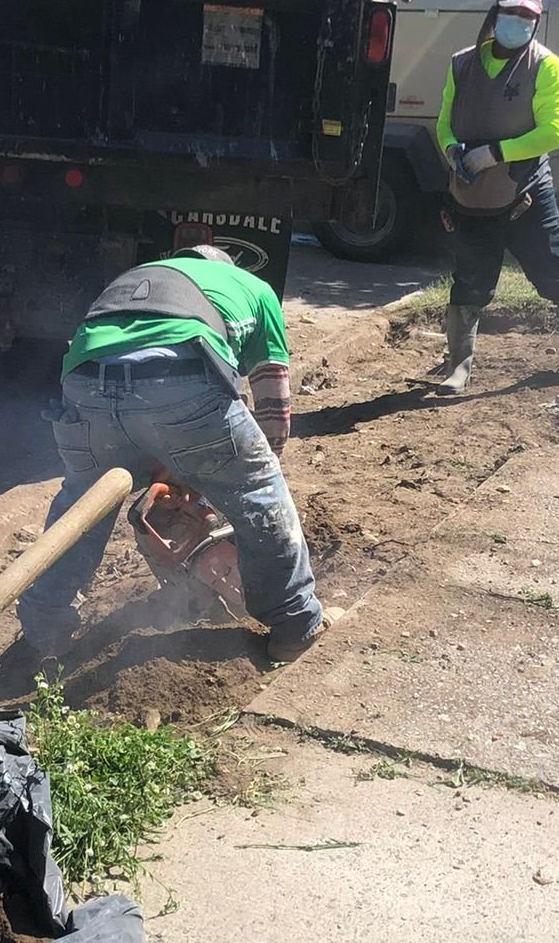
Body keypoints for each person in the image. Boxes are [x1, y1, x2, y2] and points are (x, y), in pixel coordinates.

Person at [16, 247, 327, 660]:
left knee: (83, 506)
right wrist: (244, 470)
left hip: (82, 388)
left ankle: (44, 630)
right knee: (258, 489)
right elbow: (273, 403)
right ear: (223, 269)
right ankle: (294, 624)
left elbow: (124, 392)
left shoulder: (137, 279)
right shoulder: (252, 287)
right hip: (177, 376)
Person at [428, 0, 559, 395]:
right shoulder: (462, 63)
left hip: (525, 195)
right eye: (512, 12)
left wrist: (494, 153)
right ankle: (459, 367)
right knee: (470, 280)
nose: (519, 21)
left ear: (537, 21)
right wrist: (453, 152)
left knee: (557, 276)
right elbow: (444, 123)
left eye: (528, 15)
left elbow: (551, 135)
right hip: (470, 194)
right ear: (496, 13)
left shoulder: (547, 67)